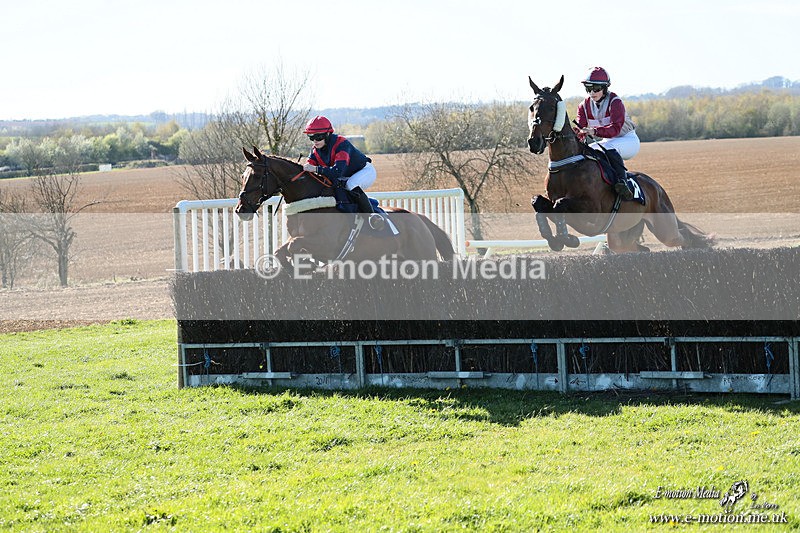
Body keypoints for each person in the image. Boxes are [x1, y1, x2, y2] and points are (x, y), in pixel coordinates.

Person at [301, 115, 384, 229]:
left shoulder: (341, 144)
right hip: (345, 176)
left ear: (328, 134)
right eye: (311, 137)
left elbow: (337, 172)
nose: (315, 141)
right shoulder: (314, 150)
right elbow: (308, 169)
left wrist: (316, 169)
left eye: (318, 137)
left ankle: (372, 217)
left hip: (364, 171)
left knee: (351, 184)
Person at [574, 67, 639, 200]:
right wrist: (578, 134)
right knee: (585, 152)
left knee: (608, 148)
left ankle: (623, 183)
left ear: (605, 88)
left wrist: (594, 131)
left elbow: (615, 129)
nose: (592, 92)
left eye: (596, 88)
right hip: (607, 141)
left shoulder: (615, 102)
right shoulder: (583, 106)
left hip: (628, 140)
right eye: (588, 88)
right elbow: (581, 127)